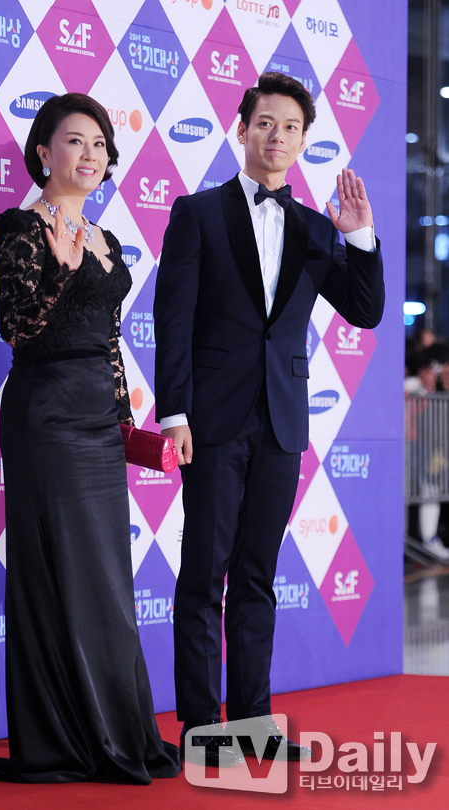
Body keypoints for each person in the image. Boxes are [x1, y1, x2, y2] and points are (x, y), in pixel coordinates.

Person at [154, 72, 385, 764]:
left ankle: (253, 723)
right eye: (265, 123)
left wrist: (360, 237)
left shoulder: (316, 227)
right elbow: (174, 323)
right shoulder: (197, 213)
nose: (277, 136)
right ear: (242, 128)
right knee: (204, 576)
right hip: (211, 421)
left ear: (303, 140)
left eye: (290, 127)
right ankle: (202, 731)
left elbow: (365, 311)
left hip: (283, 423)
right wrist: (174, 414)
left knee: (257, 576)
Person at [0, 93, 181, 784]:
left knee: (104, 580)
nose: (90, 154)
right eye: (74, 141)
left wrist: (125, 420)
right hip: (45, 417)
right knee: (53, 576)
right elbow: (17, 329)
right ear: (43, 152)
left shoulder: (105, 237)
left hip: (96, 422)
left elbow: (109, 340)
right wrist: (59, 270)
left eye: (99, 144)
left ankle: (117, 732)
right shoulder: (19, 230)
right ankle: (61, 743)